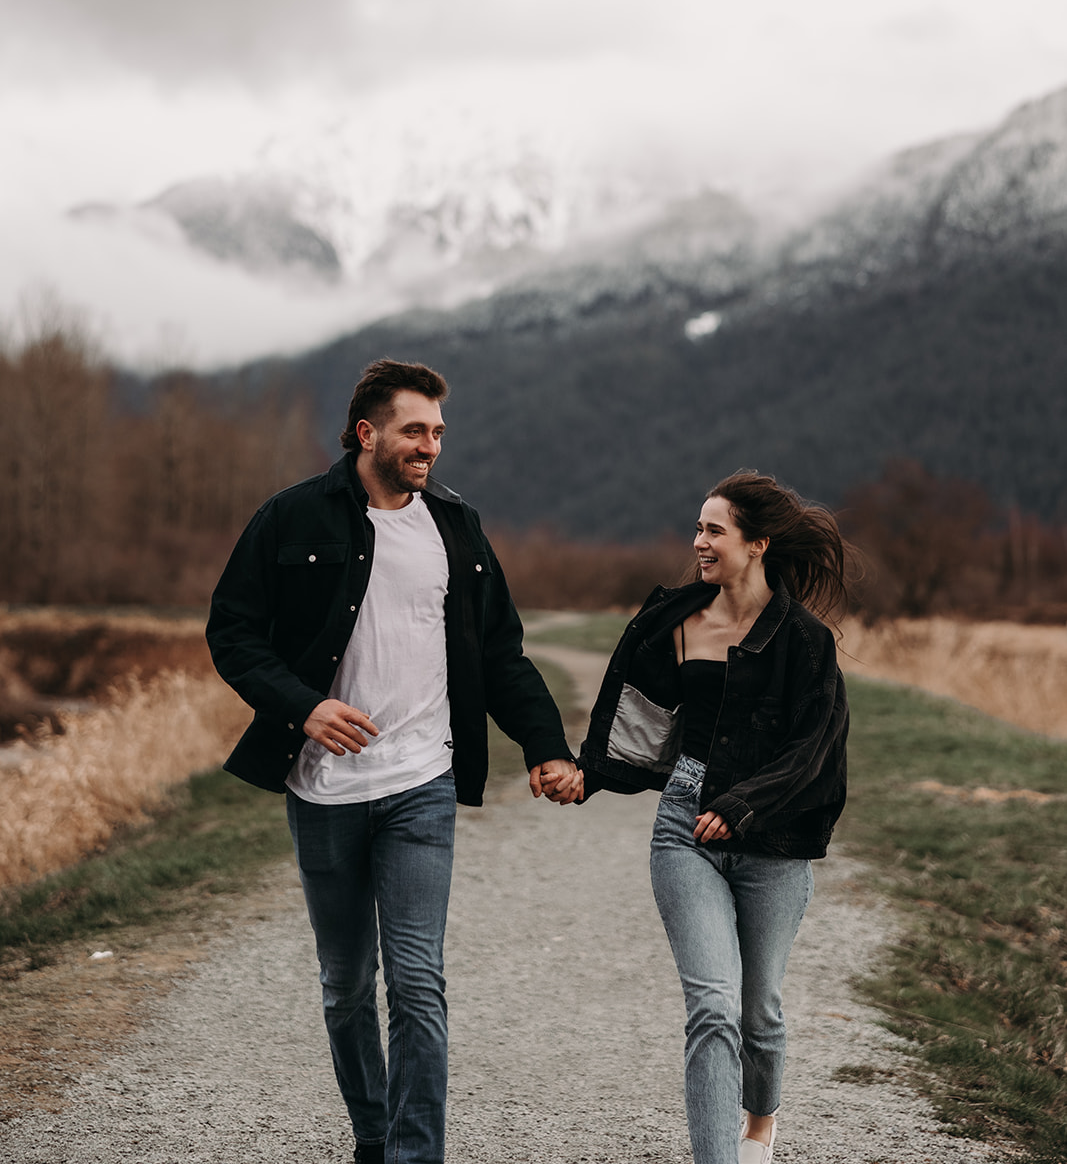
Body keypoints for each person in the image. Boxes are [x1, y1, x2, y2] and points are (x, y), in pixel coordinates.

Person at [206, 358, 581, 1164]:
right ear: (367, 431)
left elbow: (503, 655)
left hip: (422, 781)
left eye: (439, 433)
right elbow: (232, 633)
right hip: (324, 789)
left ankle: (416, 1155)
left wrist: (545, 748)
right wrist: (302, 707)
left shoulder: (457, 528)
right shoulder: (291, 518)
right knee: (346, 987)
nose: (430, 447)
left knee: (416, 982)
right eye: (415, 430)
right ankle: (372, 1137)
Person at [577, 470, 850, 1164]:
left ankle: (759, 1124)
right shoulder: (674, 620)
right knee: (712, 1009)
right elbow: (640, 724)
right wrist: (585, 776)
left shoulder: (804, 642)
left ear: (756, 543)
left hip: (773, 837)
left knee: (757, 1013)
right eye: (697, 528)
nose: (697, 541)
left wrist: (742, 805)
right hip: (683, 828)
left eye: (712, 530)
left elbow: (813, 749)